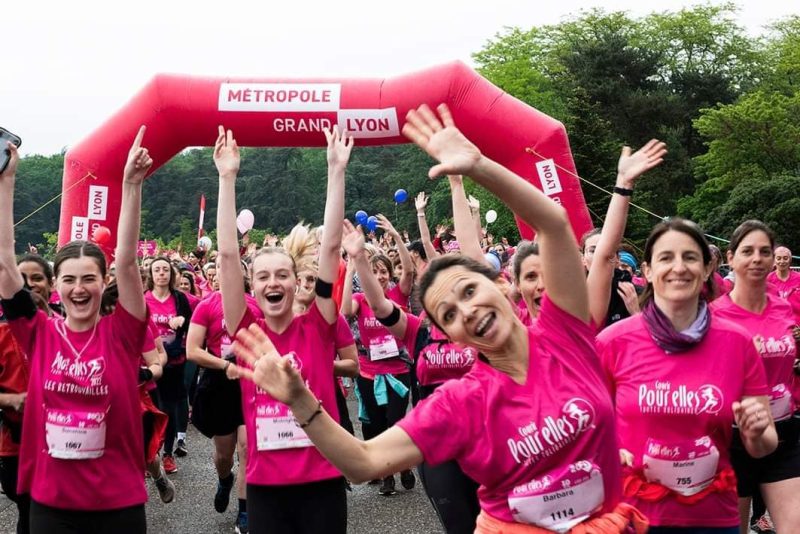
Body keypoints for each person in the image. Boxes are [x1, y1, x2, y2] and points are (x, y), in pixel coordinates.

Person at [232, 104, 643, 533]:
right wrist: (301, 401)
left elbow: (554, 225)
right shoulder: (460, 402)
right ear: (448, 334)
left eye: (469, 290)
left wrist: (478, 167)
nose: (466, 309)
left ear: (501, 286)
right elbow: (365, 461)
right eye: (449, 314)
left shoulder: (565, 335)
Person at [0, 128, 151, 533]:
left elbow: (130, 263)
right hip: (53, 503)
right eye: (69, 279)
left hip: (117, 503)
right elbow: (4, 266)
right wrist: (7, 181)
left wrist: (131, 185)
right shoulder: (38, 332)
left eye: (89, 279)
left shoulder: (123, 333)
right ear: (55, 286)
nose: (79, 288)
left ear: (104, 283)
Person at [596, 217, 778, 533]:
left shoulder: (737, 342)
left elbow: (764, 446)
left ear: (707, 268)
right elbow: (589, 431)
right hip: (631, 517)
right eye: (666, 257)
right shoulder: (613, 343)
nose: (678, 267)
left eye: (690, 257)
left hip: (711, 517)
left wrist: (756, 431)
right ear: (648, 271)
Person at [216, 125, 352, 533]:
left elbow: (330, 248)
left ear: (296, 281)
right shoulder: (245, 330)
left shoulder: (321, 324)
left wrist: (336, 170)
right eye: (263, 277)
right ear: (252, 285)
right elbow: (225, 256)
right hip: (266, 487)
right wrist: (226, 178)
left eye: (282, 275)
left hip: (323, 481)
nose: (273, 283)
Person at [710, 221, 800, 533]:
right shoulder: (714, 315)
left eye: (765, 251)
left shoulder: (783, 307)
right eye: (747, 251)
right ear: (730, 257)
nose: (757, 259)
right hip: (733, 439)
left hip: (784, 432)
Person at [341, 212, 415, 495]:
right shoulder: (361, 299)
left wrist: (396, 237)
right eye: (375, 271)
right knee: (376, 424)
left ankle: (402, 466)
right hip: (368, 372)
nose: (380, 275)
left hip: (397, 371)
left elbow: (408, 271)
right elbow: (345, 311)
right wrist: (350, 269)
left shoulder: (399, 294)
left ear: (389, 273)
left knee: (396, 422)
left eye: (384, 271)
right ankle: (389, 471)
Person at [187, 259, 252, 533]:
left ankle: (246, 511)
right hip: (219, 381)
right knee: (224, 455)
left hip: (249, 381)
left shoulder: (255, 303)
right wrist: (226, 364)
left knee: (247, 448)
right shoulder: (207, 305)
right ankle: (225, 480)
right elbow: (193, 350)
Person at [145, 257, 193, 473]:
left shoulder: (180, 299)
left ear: (171, 274)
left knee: (170, 408)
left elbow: (194, 322)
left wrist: (183, 321)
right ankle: (149, 454)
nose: (162, 273)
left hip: (174, 361)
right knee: (151, 409)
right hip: (149, 361)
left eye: (165, 269)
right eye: (157, 270)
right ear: (151, 274)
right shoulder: (144, 299)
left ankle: (167, 453)